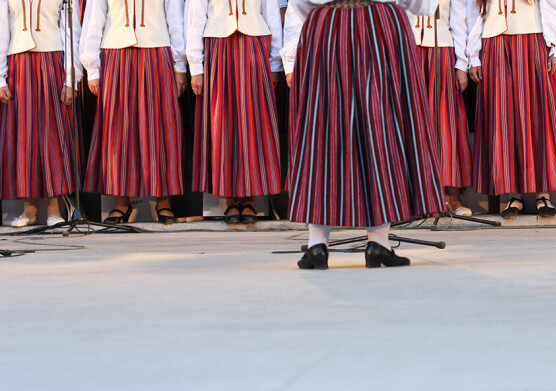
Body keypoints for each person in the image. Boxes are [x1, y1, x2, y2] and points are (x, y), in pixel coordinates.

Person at [281, 0, 446, 270]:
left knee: (322, 126)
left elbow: (301, 4)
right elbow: (422, 5)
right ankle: (378, 242)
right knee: (383, 125)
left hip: (327, 24)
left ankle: (316, 245)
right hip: (381, 24)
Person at [80, 0, 187, 225]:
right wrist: (92, 68)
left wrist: (179, 67)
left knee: (160, 127)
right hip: (116, 56)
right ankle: (122, 201)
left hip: (157, 53)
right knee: (119, 130)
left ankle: (163, 200)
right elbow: (94, 20)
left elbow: (175, 20)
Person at [467, 0, 556, 219]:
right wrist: (472, 55)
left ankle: (543, 194)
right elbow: (472, 13)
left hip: (532, 41)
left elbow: (555, 6)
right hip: (494, 45)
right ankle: (513, 195)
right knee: (503, 118)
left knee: (536, 115)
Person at [188, 0, 283, 225]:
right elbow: (195, 20)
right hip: (218, 48)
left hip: (254, 46)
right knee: (223, 123)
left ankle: (249, 198)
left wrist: (275, 63)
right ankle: (230, 198)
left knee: (253, 123)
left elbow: (272, 17)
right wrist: (196, 66)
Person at [0, 0, 83, 228]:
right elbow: (1, 28)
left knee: (53, 134)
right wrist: (0, 76)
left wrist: (70, 78)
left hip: (51, 61)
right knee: (24, 136)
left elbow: (70, 32)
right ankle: (29, 208)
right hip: (19, 63)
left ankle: (55, 207)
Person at [409, 0, 472, 217]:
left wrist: (462, 64)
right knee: (410, 124)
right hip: (407, 49)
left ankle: (453, 196)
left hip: (441, 49)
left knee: (446, 123)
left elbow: (460, 19)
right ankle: (415, 198)